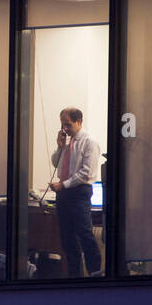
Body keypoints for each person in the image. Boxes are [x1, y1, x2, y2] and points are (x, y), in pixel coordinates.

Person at [49, 107, 103, 278]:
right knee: (67, 237)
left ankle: (94, 273)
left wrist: (63, 185)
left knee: (85, 234)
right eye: (62, 125)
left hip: (79, 192)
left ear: (79, 121)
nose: (65, 129)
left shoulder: (89, 142)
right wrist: (60, 147)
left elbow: (86, 173)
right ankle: (75, 275)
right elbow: (56, 163)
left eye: (68, 125)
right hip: (63, 193)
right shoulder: (67, 142)